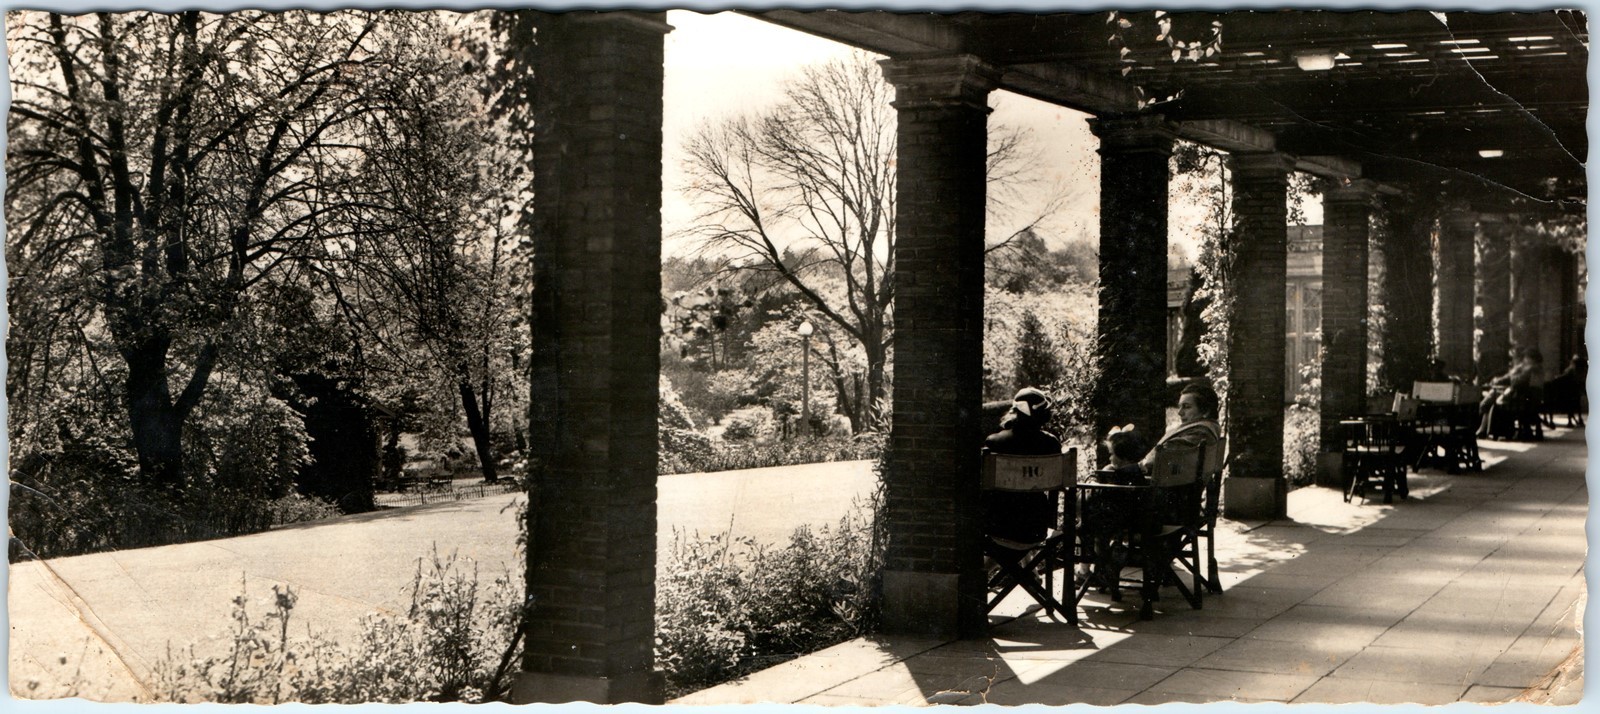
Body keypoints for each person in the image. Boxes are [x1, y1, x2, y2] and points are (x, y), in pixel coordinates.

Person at [982, 387, 1062, 560]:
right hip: (1036, 529)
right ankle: (1025, 571)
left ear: (1015, 411)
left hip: (998, 527)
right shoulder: (1051, 444)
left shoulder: (994, 442)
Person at [1081, 426, 1149, 596]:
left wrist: (1096, 483)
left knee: (1087, 524)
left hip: (1115, 525)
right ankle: (1101, 567)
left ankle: (1094, 567)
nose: (1110, 458)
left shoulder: (1116, 476)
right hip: (1136, 523)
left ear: (1122, 457)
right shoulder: (1138, 474)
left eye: (1111, 454)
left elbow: (1103, 498)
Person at [1140, 382, 1222, 474]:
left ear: (1205, 411)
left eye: (1186, 407)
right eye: (1180, 406)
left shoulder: (1200, 432)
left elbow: (1162, 456)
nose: (1180, 412)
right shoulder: (1209, 428)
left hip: (1166, 481)